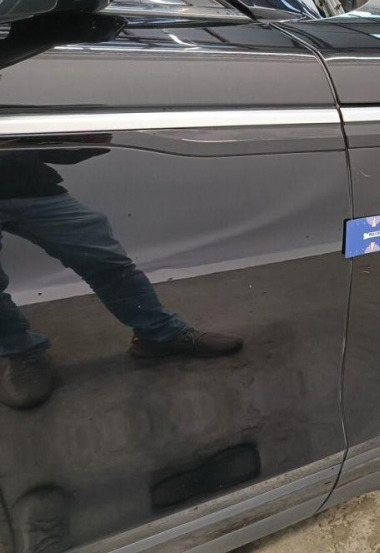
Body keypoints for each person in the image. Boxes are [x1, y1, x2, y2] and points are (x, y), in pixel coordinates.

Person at [0, 147, 243, 409]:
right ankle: (21, 352)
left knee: (105, 261)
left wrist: (79, 143)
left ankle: (159, 335)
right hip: (24, 184)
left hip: (26, 185)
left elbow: (47, 149)